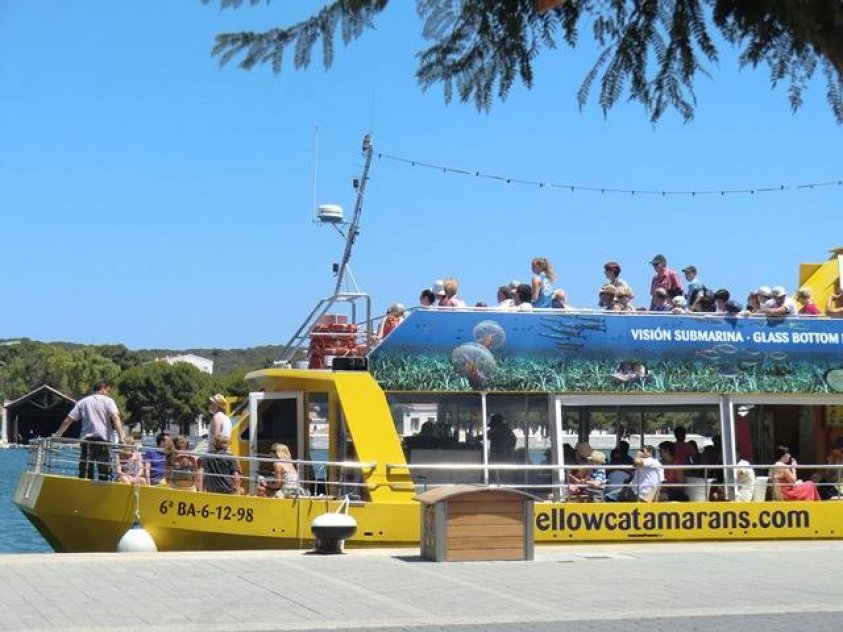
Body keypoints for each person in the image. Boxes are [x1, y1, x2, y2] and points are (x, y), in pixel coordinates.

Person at [54, 381, 125, 481]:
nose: (108, 393)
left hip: (87, 442)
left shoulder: (83, 402)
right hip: (103, 441)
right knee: (104, 471)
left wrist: (58, 435)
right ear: (102, 389)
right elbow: (115, 417)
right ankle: (103, 487)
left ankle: (84, 487)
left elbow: (68, 420)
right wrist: (121, 438)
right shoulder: (109, 401)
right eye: (107, 391)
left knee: (85, 472)